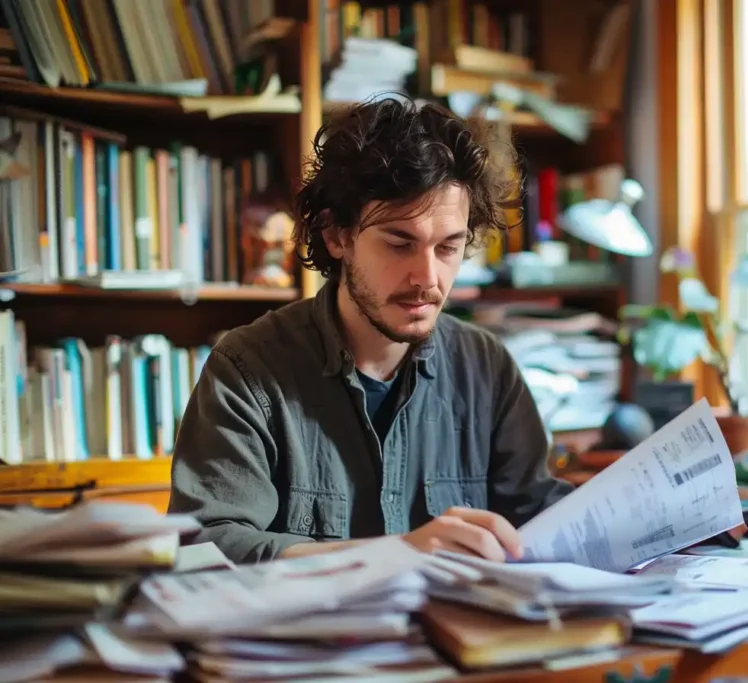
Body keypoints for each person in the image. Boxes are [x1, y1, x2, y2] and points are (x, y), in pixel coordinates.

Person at [168, 97, 573, 564]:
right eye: (400, 244)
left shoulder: (487, 367)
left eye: (448, 247)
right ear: (337, 236)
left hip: (462, 634)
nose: (428, 278)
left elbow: (544, 524)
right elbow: (207, 548)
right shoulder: (246, 369)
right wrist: (395, 554)